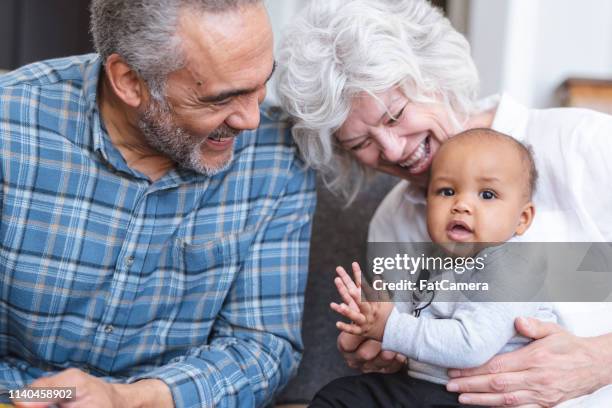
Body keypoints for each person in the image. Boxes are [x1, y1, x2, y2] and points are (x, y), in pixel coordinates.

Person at [276, 0, 612, 406]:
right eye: (361, 143)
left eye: (395, 115)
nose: (393, 149)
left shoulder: (582, 146)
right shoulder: (391, 221)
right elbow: (420, 345)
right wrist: (385, 345)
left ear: (434, 76)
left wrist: (600, 361)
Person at [0, 1, 315, 407]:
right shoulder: (11, 127)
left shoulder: (277, 156)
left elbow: (260, 347)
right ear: (129, 81)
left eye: (260, 84)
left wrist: (125, 399)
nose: (251, 119)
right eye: (221, 99)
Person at [319, 128, 557, 407]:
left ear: (523, 218)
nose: (462, 205)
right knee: (341, 396)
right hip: (423, 387)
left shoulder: (515, 265)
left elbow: (472, 345)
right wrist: (371, 321)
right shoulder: (431, 260)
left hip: (483, 398)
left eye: (488, 195)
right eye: (446, 191)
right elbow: (407, 318)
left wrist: (389, 327)